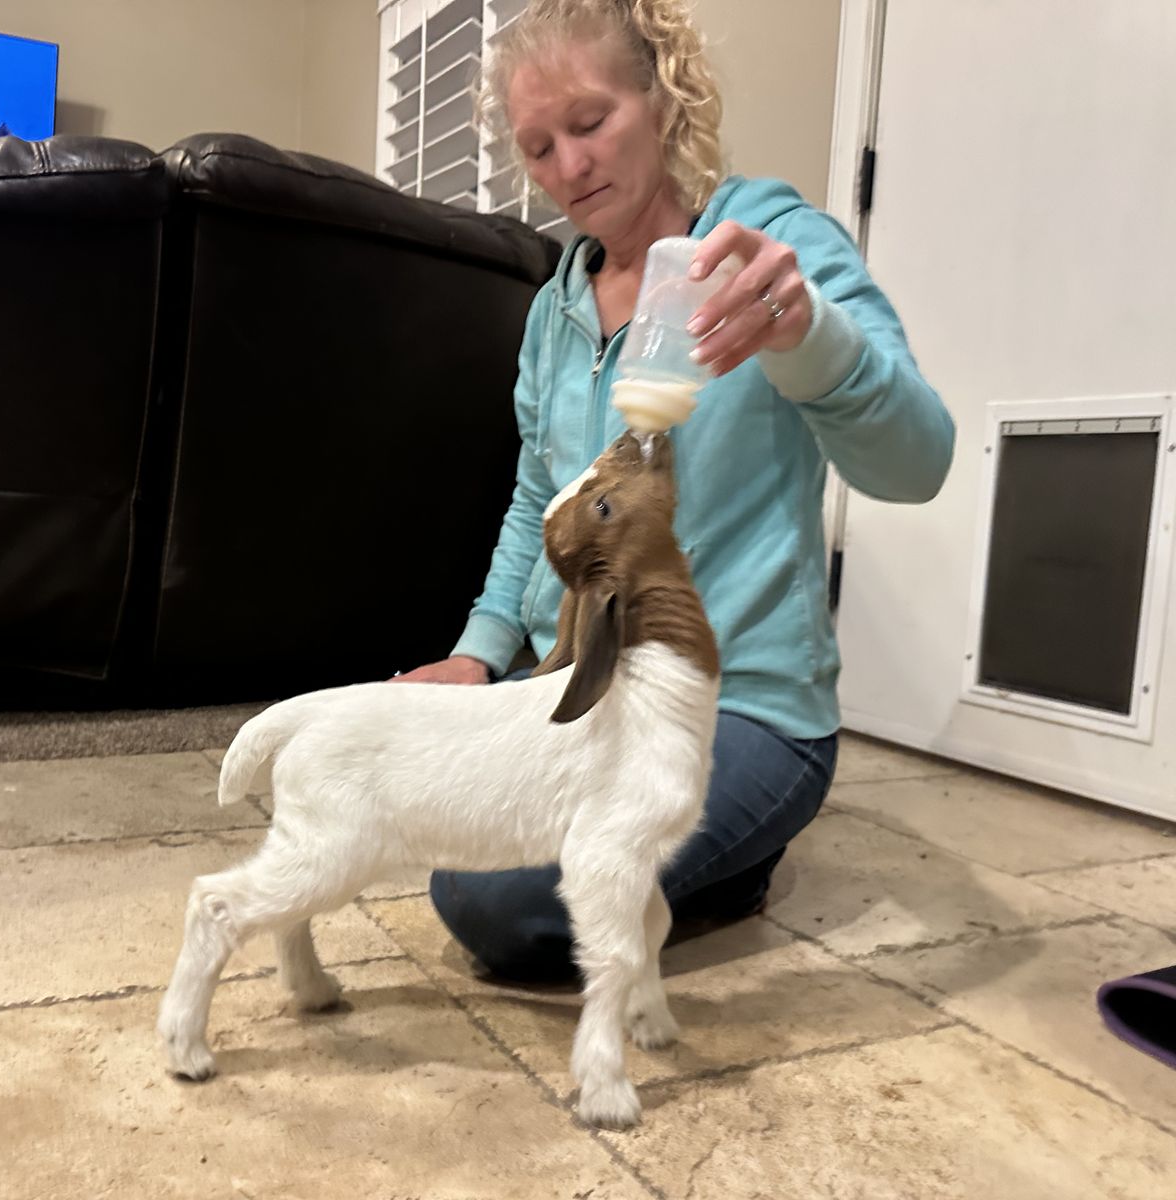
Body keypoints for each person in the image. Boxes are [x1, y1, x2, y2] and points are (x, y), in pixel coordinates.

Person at [392, 0, 955, 983]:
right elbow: (537, 503)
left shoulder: (768, 246)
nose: (568, 166)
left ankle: (735, 851)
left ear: (659, 99)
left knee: (490, 898)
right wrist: (476, 655)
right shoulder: (552, 312)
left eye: (589, 122)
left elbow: (918, 464)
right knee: (398, 791)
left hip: (738, 705)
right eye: (537, 147)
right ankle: (677, 849)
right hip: (582, 686)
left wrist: (805, 335)